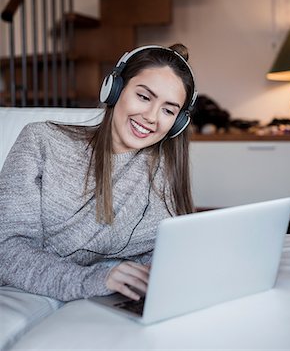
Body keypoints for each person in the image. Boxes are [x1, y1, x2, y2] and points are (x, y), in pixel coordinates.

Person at [0, 44, 197, 306]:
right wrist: (93, 279)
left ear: (178, 123)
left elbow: (156, 250)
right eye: (144, 97)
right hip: (25, 287)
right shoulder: (41, 140)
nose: (151, 117)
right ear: (114, 90)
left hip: (91, 299)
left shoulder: (162, 169)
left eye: (168, 110)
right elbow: (7, 249)